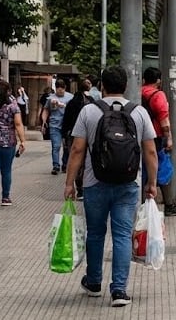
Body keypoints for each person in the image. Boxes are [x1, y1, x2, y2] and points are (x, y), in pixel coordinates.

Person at [65, 66, 158, 308]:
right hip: (128, 184)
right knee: (121, 235)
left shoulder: (89, 111)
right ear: (126, 86)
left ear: (102, 86)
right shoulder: (139, 113)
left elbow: (77, 149)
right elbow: (150, 151)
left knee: (95, 233)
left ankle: (94, 282)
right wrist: (152, 183)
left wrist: (69, 184)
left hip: (94, 182)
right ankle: (119, 290)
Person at [141, 67, 176, 216]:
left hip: (139, 137)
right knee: (163, 169)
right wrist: (169, 139)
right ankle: (169, 204)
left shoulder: (138, 92)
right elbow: (164, 120)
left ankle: (141, 205)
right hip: (155, 137)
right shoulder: (158, 95)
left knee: (143, 170)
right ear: (158, 80)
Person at [0, 79, 26, 209]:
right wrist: (23, 140)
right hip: (8, 144)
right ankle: (5, 197)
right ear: (8, 91)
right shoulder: (13, 105)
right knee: (6, 171)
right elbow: (18, 124)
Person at [61, 81, 93, 200]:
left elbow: (66, 120)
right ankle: (86, 187)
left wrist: (64, 135)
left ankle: (79, 188)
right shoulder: (92, 102)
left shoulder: (72, 102)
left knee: (76, 159)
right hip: (89, 135)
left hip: (73, 135)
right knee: (87, 161)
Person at [48, 79, 74, 175]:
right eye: (58, 89)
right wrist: (43, 121)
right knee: (56, 146)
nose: (60, 91)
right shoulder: (50, 98)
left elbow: (73, 109)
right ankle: (56, 165)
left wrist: (63, 105)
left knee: (67, 147)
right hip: (54, 125)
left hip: (66, 125)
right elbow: (46, 109)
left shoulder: (71, 97)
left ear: (65, 88)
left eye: (62, 89)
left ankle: (65, 164)